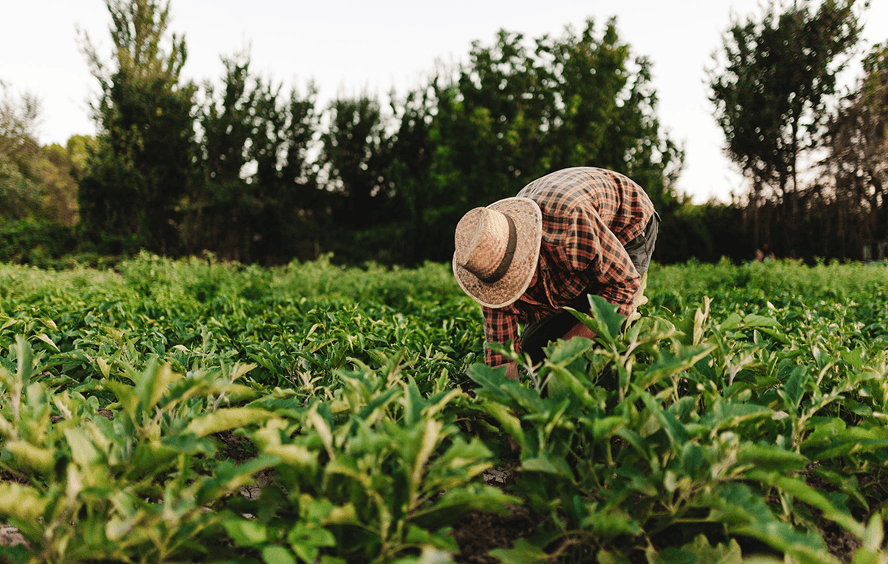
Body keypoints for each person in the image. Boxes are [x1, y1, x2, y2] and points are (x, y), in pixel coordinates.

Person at [452, 167, 659, 380]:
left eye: (518, 277)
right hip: (574, 244)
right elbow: (501, 357)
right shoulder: (488, 269)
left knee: (608, 338)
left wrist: (565, 350)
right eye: (508, 284)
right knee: (536, 351)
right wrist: (507, 401)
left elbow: (622, 286)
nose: (515, 289)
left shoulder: (570, 226)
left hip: (626, 220)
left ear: (531, 253)